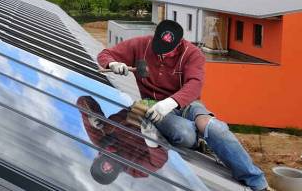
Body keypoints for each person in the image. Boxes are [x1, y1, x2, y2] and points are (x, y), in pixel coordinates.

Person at [97, 20, 269, 190]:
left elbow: (195, 84)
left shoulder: (192, 54)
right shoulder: (141, 44)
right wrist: (113, 63)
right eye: (158, 48)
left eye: (166, 51)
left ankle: (257, 182)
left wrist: (171, 102)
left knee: (217, 129)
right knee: (184, 134)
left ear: (179, 44)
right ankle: (200, 140)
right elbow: (105, 54)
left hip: (186, 103)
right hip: (153, 104)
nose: (161, 55)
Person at [77, 96, 168, 185]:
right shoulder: (134, 169)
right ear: (115, 174)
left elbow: (83, 101)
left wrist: (92, 115)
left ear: (96, 159)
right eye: (108, 170)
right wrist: (151, 138)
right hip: (164, 124)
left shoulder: (99, 139)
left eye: (103, 166)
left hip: (144, 105)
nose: (107, 166)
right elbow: (157, 162)